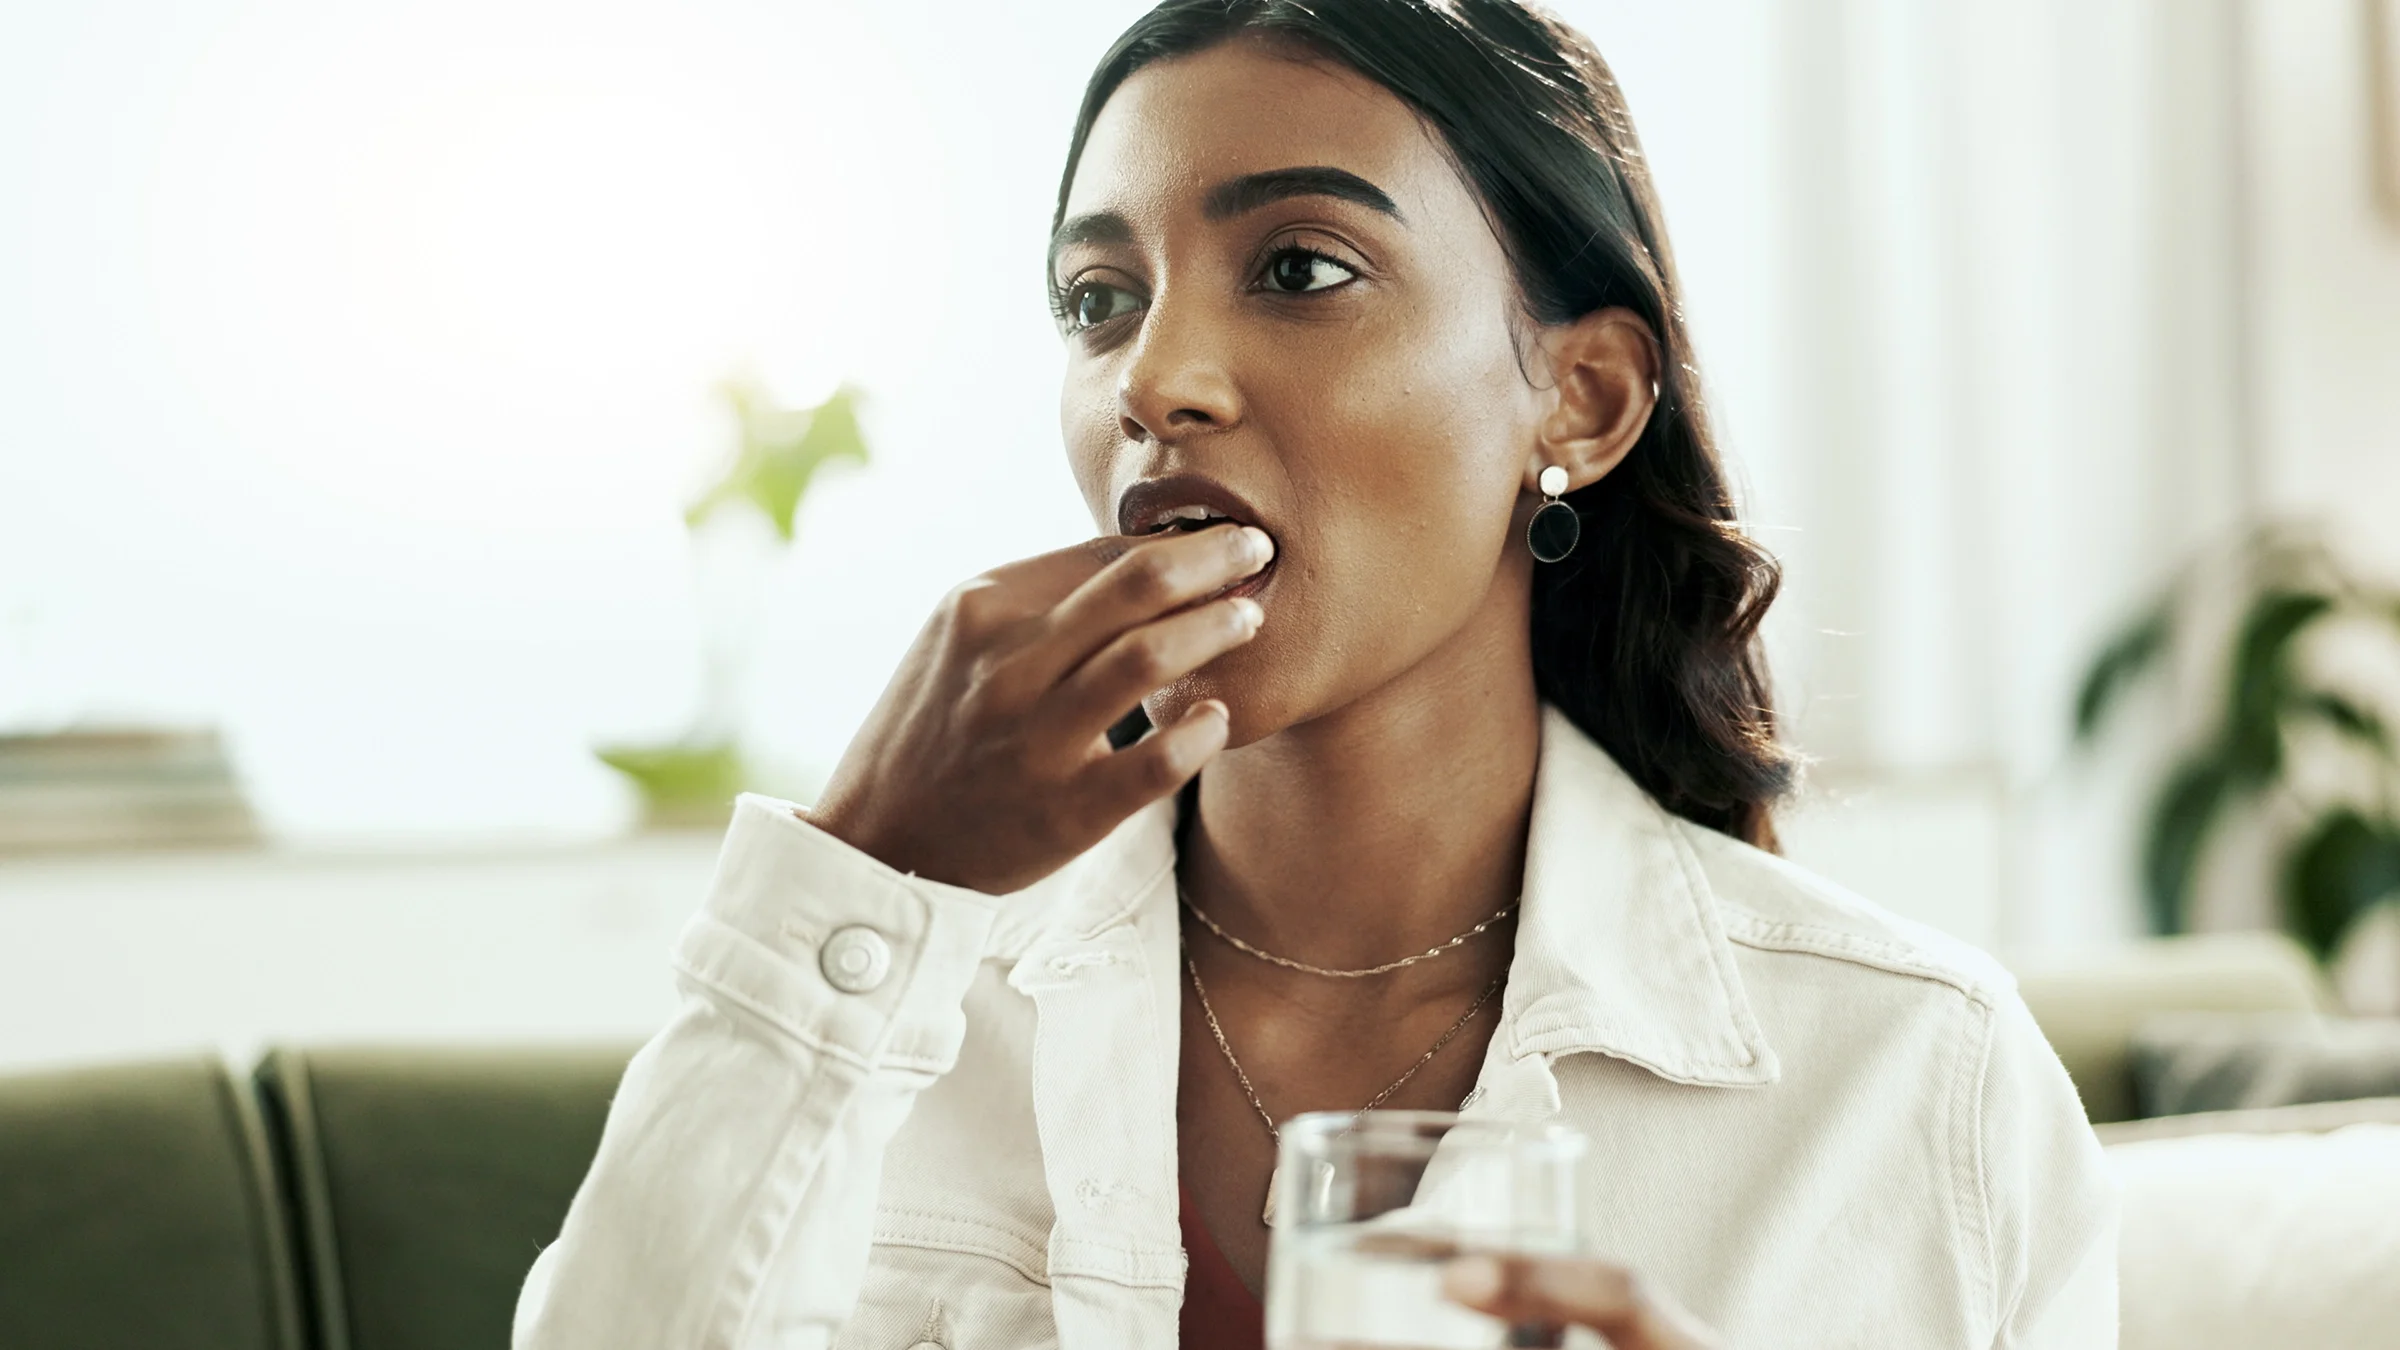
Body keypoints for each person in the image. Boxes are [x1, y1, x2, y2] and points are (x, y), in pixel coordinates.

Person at [512, 1, 2118, 1346]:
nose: (1155, 380)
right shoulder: (901, 1018)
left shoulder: (1915, 1083)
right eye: (1098, 300)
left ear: (1582, 397)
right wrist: (861, 868)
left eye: (1299, 268)